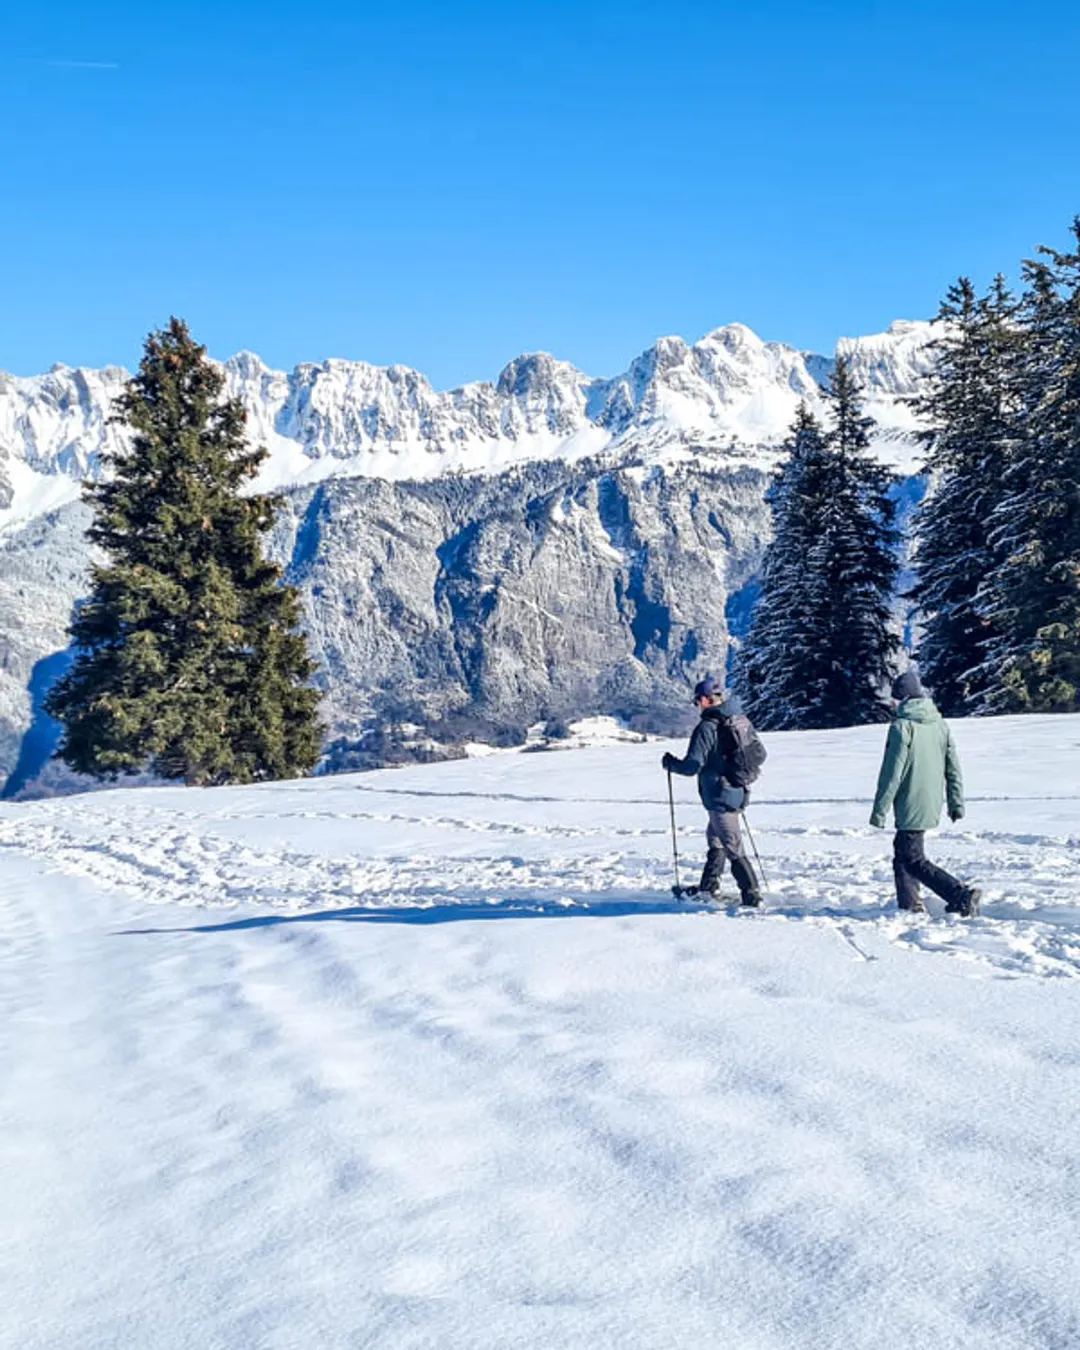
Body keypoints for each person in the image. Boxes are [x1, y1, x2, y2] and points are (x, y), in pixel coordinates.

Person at [870, 668, 981, 917]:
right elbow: (953, 767)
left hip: (910, 800)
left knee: (912, 858)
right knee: (903, 853)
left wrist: (880, 810)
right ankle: (909, 906)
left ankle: (959, 894)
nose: (893, 703)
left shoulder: (902, 727)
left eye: (896, 699)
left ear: (905, 698)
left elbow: (892, 772)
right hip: (932, 800)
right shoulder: (939, 725)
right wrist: (955, 802)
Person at [661, 674, 764, 906]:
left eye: (698, 701)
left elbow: (691, 766)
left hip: (720, 795)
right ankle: (708, 887)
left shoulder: (707, 727)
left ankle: (751, 894)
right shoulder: (739, 719)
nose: (697, 705)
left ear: (706, 700)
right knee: (715, 838)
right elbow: (761, 754)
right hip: (739, 790)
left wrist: (671, 764)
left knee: (732, 844)